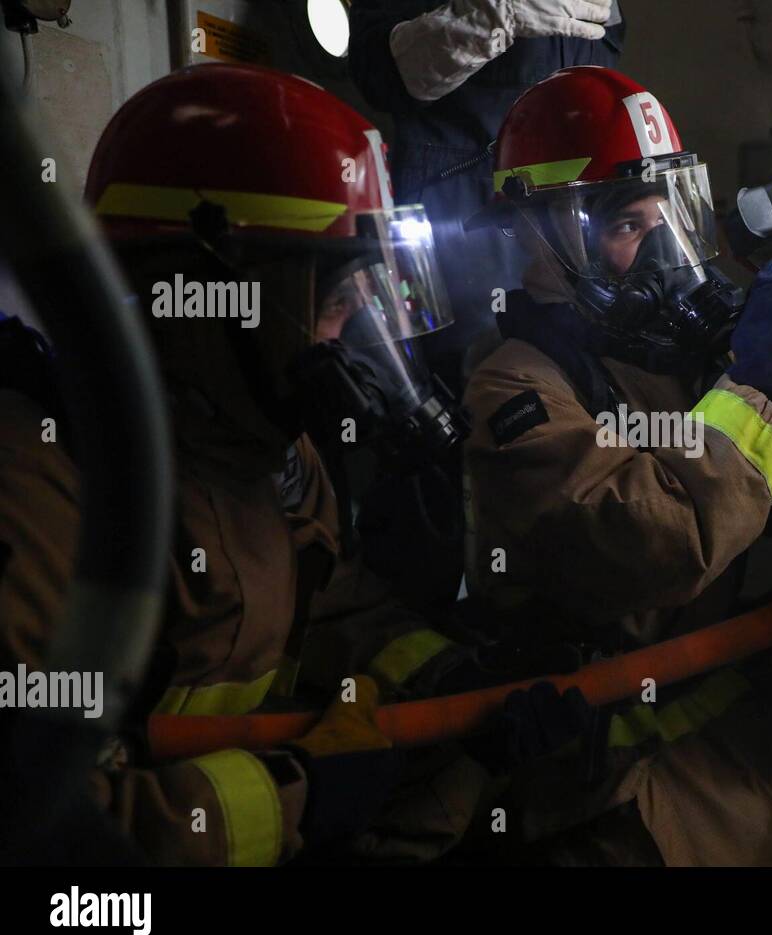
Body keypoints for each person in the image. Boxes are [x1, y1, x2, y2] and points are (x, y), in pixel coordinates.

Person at [0, 63, 489, 865]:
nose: (361, 345)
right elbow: (53, 833)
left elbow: (330, 613)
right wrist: (299, 797)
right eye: (337, 303)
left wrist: (452, 677)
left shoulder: (271, 451)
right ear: (205, 294)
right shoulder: (39, 489)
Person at [458, 65, 772, 864]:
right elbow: (659, 545)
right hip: (612, 783)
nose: (663, 255)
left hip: (734, 730)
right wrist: (752, 385)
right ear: (538, 235)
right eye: (627, 227)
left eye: (665, 219)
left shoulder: (660, 351)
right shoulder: (515, 386)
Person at [347, 0, 626, 374]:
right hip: (458, 220)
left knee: (575, 380)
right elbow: (377, 70)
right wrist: (494, 15)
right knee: (462, 384)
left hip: (570, 221)